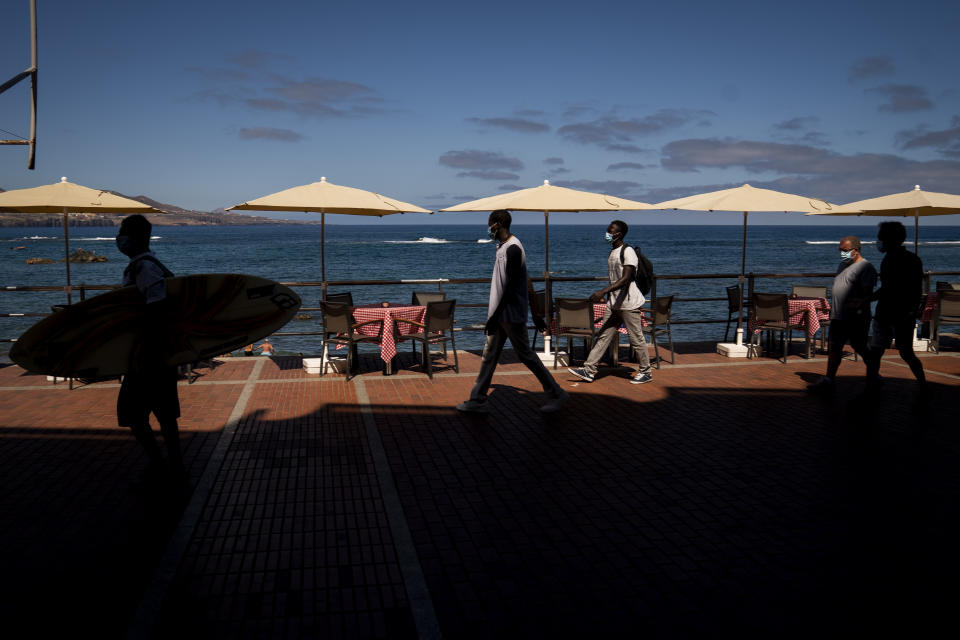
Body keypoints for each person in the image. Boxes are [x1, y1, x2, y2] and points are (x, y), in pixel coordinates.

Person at [456, 210, 569, 414]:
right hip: (502, 314)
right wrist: (533, 312)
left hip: (509, 314)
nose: (488, 226)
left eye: (490, 223)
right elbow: (526, 280)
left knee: (525, 355)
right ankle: (478, 399)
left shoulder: (513, 249)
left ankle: (556, 392)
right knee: (489, 356)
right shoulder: (503, 248)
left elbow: (510, 287)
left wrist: (495, 317)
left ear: (497, 224)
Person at [115, 214, 184, 482]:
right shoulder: (146, 265)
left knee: (134, 413)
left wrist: (144, 349)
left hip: (149, 354)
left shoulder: (144, 267)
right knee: (163, 413)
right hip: (156, 352)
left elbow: (157, 305)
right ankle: (170, 465)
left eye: (122, 233)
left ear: (134, 238)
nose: (118, 239)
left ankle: (163, 464)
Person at [568, 220, 653, 385]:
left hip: (629, 303)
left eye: (610, 231)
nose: (607, 233)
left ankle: (646, 371)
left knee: (636, 338)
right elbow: (615, 278)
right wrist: (608, 298)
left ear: (618, 234)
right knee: (603, 336)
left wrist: (602, 291)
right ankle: (589, 370)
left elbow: (626, 278)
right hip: (614, 304)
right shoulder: (612, 252)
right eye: (607, 230)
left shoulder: (628, 252)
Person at [807, 235, 877, 393]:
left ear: (856, 250)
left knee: (860, 346)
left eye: (844, 250)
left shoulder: (866, 268)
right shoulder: (842, 265)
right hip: (838, 315)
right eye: (840, 250)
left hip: (856, 316)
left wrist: (857, 303)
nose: (841, 253)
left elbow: (868, 294)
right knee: (834, 347)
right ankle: (829, 379)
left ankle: (874, 374)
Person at [865, 221, 926, 396]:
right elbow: (917, 290)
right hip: (902, 315)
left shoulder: (890, 261)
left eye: (880, 237)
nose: (878, 241)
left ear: (889, 239)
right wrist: (912, 311)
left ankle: (869, 390)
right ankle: (923, 386)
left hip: (890, 314)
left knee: (877, 354)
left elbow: (887, 289)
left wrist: (865, 300)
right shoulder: (913, 259)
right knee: (906, 353)